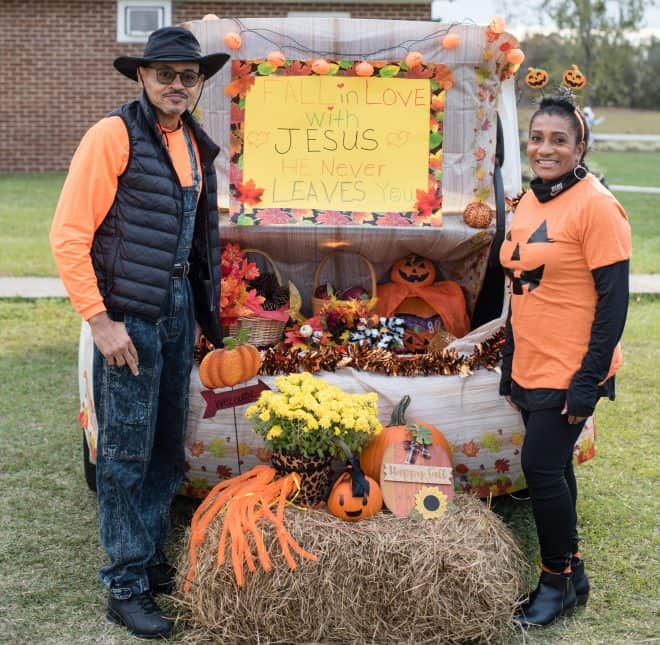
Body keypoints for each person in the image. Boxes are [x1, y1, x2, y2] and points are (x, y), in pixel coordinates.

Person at [50, 27, 228, 639]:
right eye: (165, 74)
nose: (178, 85)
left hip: (176, 308)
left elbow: (198, 242)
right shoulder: (112, 135)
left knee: (164, 447)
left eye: (189, 75)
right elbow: (70, 235)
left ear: (199, 82)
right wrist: (100, 322)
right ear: (142, 77)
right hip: (129, 314)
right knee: (125, 450)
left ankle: (149, 557)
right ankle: (124, 583)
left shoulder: (194, 145)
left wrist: (207, 320)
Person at [499, 89, 631, 627]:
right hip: (532, 360)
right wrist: (510, 360)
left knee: (540, 468)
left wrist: (588, 380)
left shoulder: (597, 206)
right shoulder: (531, 200)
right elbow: (522, 286)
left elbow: (614, 303)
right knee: (554, 469)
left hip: (573, 365)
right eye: (537, 138)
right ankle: (574, 575)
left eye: (559, 140)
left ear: (580, 145)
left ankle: (552, 582)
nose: (545, 148)